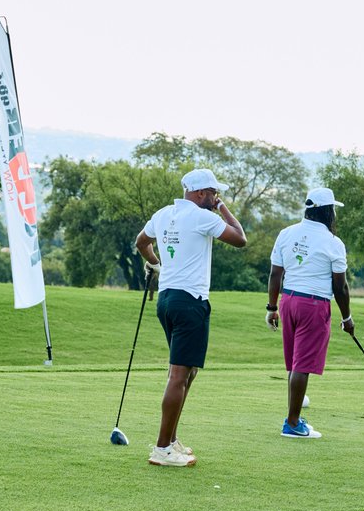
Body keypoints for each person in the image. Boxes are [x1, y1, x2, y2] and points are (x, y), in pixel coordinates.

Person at [135, 168, 247, 466]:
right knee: (179, 374)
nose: (215, 198)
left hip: (168, 299)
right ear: (200, 193)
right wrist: (222, 208)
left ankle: (170, 439)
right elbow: (240, 238)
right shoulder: (204, 217)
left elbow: (141, 242)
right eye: (213, 193)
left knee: (188, 371)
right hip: (190, 302)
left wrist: (156, 264)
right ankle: (162, 449)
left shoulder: (163, 214)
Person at [266, 186, 352, 439]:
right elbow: (340, 286)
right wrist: (347, 317)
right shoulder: (333, 242)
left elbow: (275, 274)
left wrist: (272, 308)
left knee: (294, 363)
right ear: (328, 212)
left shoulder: (286, 233)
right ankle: (292, 424)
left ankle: (295, 417)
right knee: (301, 365)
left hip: (288, 300)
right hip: (313, 305)